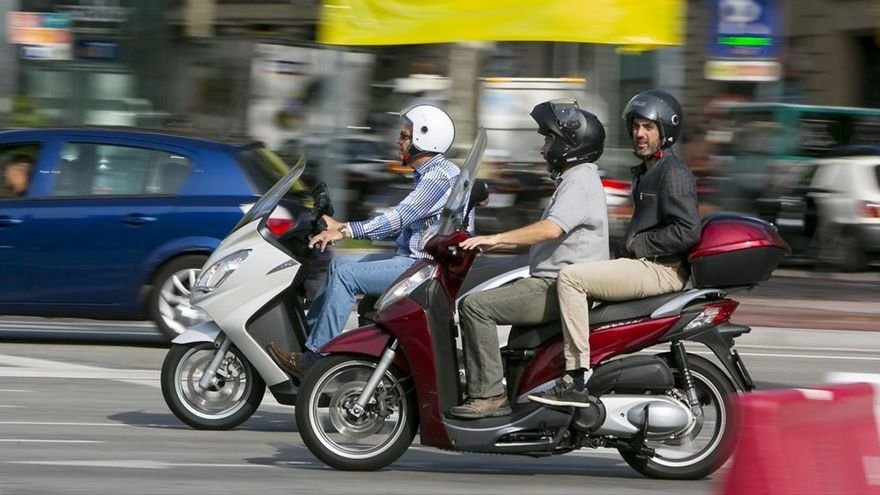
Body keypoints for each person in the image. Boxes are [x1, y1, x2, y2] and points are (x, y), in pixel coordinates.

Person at [528, 89, 701, 408]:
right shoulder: (648, 170)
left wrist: (639, 243)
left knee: (570, 278)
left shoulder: (673, 172)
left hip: (663, 270)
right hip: (647, 264)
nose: (639, 133)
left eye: (648, 127)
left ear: (666, 130)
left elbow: (688, 230)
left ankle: (577, 376)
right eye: (635, 126)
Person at [268, 104, 461, 376]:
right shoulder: (435, 172)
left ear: (424, 140)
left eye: (405, 136)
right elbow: (399, 220)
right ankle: (311, 339)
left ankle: (317, 359)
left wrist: (345, 231)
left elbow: (398, 218)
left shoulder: (436, 178)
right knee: (338, 265)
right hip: (414, 260)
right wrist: (343, 226)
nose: (399, 141)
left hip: (422, 268)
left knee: (347, 276)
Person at [449, 99, 609, 419]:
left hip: (556, 287)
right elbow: (551, 239)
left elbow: (550, 230)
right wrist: (486, 247)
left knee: (475, 306)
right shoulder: (575, 179)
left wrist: (495, 238)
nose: (543, 148)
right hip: (553, 281)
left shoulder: (578, 181)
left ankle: (489, 395)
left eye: (548, 140)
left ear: (569, 144)